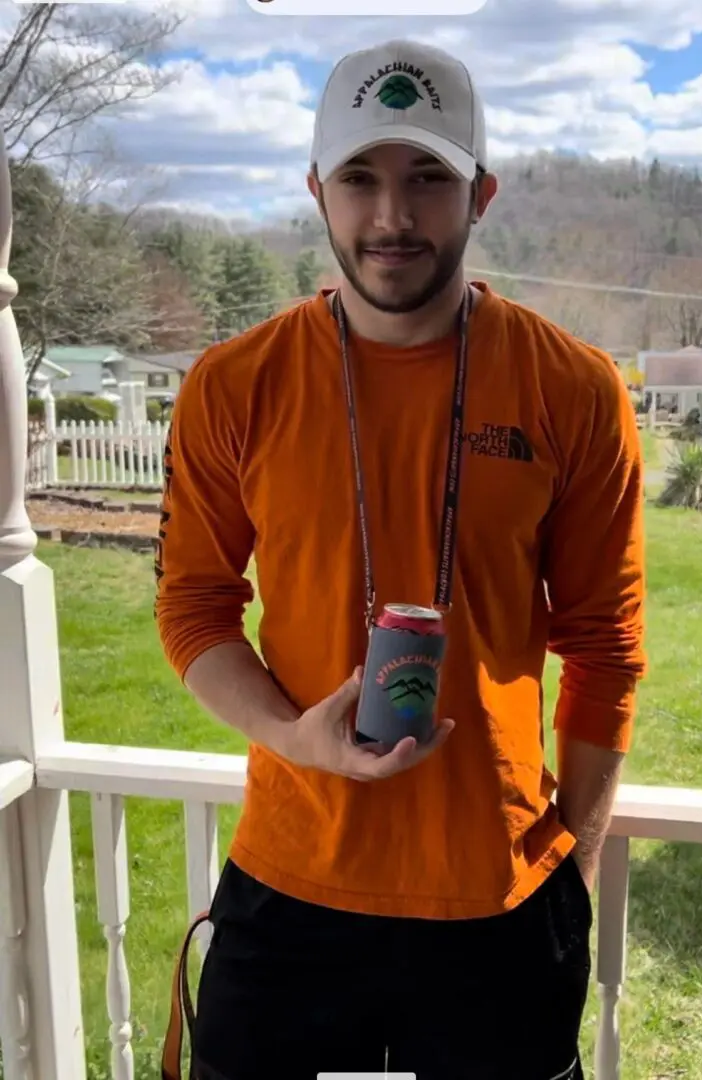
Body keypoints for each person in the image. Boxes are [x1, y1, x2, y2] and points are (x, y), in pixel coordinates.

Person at [154, 37, 646, 1080]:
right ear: (316, 192)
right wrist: (294, 735)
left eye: (429, 177)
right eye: (360, 179)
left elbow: (605, 647)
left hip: (502, 904)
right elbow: (194, 607)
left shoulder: (573, 389)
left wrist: (573, 868)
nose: (392, 216)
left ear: (482, 193)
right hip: (287, 890)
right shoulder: (232, 385)